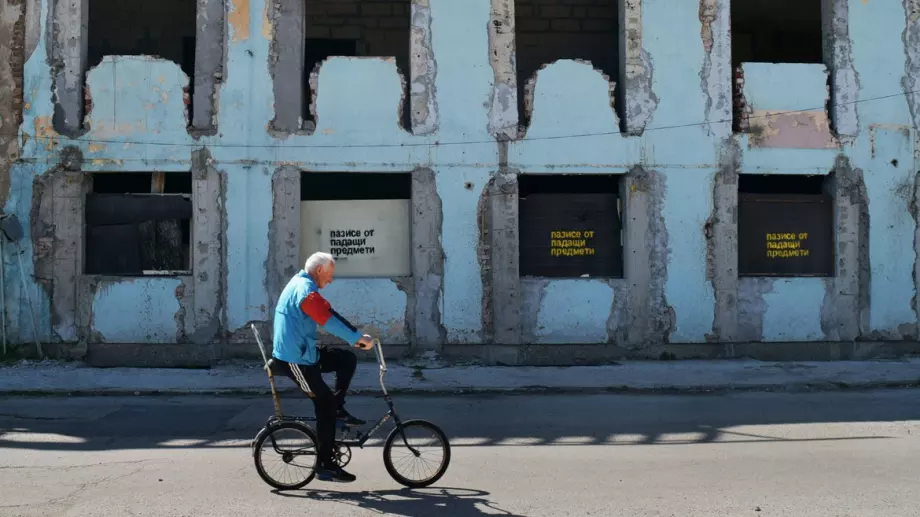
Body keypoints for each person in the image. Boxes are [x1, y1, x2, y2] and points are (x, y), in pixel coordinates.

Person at [268, 251, 374, 483]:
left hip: (306, 352)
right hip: (294, 360)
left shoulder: (304, 285)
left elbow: (329, 313)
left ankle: (338, 407)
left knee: (346, 359)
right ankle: (325, 465)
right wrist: (357, 339)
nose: (331, 279)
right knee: (324, 403)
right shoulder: (305, 292)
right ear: (319, 270)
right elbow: (327, 320)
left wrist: (356, 336)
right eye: (330, 274)